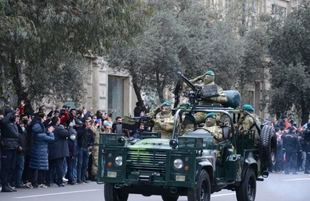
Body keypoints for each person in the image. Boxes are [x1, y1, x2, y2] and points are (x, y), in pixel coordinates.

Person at [29, 113, 55, 188]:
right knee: (40, 169)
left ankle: (34, 182)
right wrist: (50, 132)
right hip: (42, 153)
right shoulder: (42, 135)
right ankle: (39, 182)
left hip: (35, 151)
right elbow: (51, 139)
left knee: (34, 168)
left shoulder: (36, 134)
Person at [0, 109, 20, 192]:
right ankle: (4, 185)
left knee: (11, 167)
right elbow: (3, 121)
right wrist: (10, 113)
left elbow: (17, 135)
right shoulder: (4, 123)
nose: (14, 116)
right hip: (7, 147)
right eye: (13, 115)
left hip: (14, 147)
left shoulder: (13, 124)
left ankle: (8, 184)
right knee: (5, 167)